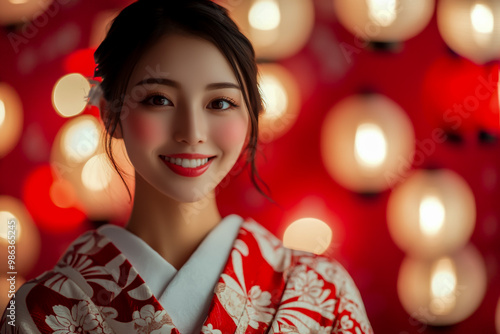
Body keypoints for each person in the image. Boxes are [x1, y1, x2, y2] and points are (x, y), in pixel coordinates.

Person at [0, 0, 374, 333]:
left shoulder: (324, 292)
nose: (192, 133)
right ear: (111, 114)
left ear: (252, 115)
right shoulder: (42, 312)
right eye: (159, 99)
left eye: (220, 103)